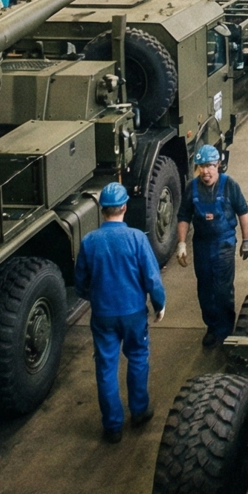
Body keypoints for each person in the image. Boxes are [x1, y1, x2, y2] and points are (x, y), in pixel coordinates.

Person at [76, 181, 166, 441]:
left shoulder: (90, 241)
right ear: (125, 206)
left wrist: (96, 297)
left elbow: (81, 282)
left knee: (106, 367)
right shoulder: (136, 238)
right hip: (134, 313)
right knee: (138, 358)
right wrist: (159, 304)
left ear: (102, 210)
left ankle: (113, 427)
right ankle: (138, 412)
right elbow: (152, 278)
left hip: (103, 315)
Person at [175, 146, 248, 346]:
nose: (205, 171)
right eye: (202, 166)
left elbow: (243, 211)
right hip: (201, 244)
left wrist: (246, 240)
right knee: (205, 288)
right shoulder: (192, 187)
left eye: (210, 166)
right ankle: (212, 326)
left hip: (224, 243)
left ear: (218, 165)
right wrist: (181, 243)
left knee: (223, 289)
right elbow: (183, 216)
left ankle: (226, 329)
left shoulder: (229, 185)